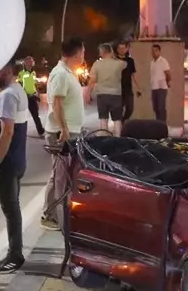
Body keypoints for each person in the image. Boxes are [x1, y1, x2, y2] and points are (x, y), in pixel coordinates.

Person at [0, 62, 30, 274]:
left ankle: (15, 256)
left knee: (11, 210)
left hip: (6, 164)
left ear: (10, 71)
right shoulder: (16, 91)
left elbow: (7, 132)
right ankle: (14, 253)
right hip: (15, 161)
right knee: (12, 209)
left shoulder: (8, 96)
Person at [40, 38, 86, 232]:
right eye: (83, 52)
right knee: (59, 176)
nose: (83, 56)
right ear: (77, 53)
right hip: (61, 133)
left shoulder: (68, 73)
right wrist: (64, 129)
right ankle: (53, 216)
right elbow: (57, 104)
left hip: (69, 130)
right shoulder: (60, 74)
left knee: (62, 175)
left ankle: (57, 214)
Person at [87, 43, 125, 135]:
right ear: (111, 52)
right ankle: (117, 138)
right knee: (117, 120)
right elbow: (125, 64)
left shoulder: (97, 64)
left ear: (102, 52)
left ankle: (104, 138)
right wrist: (114, 57)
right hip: (116, 95)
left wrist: (88, 94)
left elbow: (92, 81)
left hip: (102, 95)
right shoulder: (119, 63)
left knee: (103, 119)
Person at [18, 56, 44, 137]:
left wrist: (37, 93)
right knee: (23, 116)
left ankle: (41, 131)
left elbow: (35, 84)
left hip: (32, 97)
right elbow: (20, 85)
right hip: (25, 97)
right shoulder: (21, 73)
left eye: (32, 61)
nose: (31, 63)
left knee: (36, 115)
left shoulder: (33, 73)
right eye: (29, 61)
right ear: (25, 63)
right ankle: (20, 132)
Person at [115, 41, 139, 122]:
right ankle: (120, 125)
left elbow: (133, 75)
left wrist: (138, 87)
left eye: (123, 48)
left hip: (128, 89)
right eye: (120, 48)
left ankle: (123, 120)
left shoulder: (130, 61)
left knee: (130, 108)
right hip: (117, 89)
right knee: (119, 110)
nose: (122, 50)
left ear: (126, 49)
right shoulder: (114, 61)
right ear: (117, 49)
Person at [150, 43, 171, 123]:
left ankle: (162, 125)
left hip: (161, 88)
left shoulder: (163, 61)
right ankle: (158, 124)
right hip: (154, 88)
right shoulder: (152, 62)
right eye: (152, 51)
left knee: (161, 108)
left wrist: (168, 82)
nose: (154, 52)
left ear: (159, 51)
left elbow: (168, 74)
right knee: (155, 108)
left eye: (156, 51)